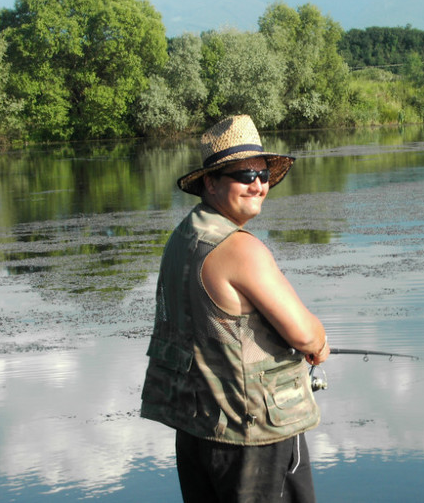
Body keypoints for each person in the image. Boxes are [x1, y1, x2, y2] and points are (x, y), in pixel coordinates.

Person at [140, 114, 330, 503]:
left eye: (262, 174)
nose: (258, 185)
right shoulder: (242, 249)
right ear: (210, 182)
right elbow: (305, 334)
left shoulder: (183, 237)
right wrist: (320, 343)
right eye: (244, 175)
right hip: (252, 435)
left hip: (198, 431)